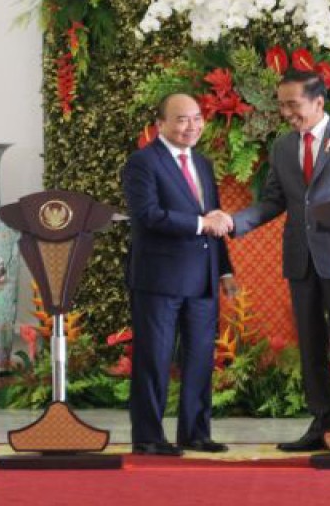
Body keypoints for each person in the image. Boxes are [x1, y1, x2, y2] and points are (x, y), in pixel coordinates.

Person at [230, 70, 330, 452]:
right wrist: (234, 221)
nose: (285, 112)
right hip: (301, 260)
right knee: (312, 345)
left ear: (318, 102)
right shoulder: (283, 147)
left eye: (292, 104)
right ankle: (322, 422)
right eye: (281, 104)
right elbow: (273, 201)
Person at [122, 93, 239, 456]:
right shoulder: (142, 163)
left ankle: (195, 433)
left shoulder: (202, 163)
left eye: (197, 118)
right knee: (154, 360)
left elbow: (215, 220)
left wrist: (223, 270)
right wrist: (201, 223)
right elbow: (148, 215)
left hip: (202, 279)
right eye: (182, 119)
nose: (192, 126)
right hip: (159, 280)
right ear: (160, 124)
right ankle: (149, 437)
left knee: (201, 358)